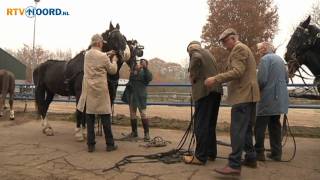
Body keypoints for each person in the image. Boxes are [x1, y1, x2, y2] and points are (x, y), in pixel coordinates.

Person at [204, 28, 260, 175]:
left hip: (242, 95)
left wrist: (215, 79)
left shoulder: (238, 49)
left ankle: (234, 164)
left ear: (233, 38)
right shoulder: (244, 48)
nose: (224, 45)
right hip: (250, 95)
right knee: (246, 128)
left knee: (237, 130)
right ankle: (251, 157)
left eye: (225, 41)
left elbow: (237, 71)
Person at [182, 41, 223, 165]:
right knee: (210, 124)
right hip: (216, 91)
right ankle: (211, 153)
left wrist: (192, 76)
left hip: (204, 92)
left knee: (201, 124)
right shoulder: (209, 54)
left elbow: (196, 58)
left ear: (190, 49)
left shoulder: (196, 52)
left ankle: (200, 157)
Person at [77, 34, 118, 152]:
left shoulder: (87, 54)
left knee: (90, 118)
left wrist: (107, 53)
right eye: (102, 43)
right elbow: (112, 70)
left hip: (89, 89)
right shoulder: (103, 57)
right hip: (101, 90)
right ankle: (110, 145)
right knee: (105, 117)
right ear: (99, 43)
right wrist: (114, 60)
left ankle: (91, 145)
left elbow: (98, 57)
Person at [254, 42, 289, 161]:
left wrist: (256, 89)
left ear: (264, 49)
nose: (258, 52)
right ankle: (276, 153)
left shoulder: (265, 59)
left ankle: (259, 153)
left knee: (259, 126)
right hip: (279, 99)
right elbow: (286, 80)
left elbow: (262, 80)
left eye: (258, 50)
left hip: (267, 99)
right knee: (275, 126)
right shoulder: (280, 60)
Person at [124, 59, 153, 141]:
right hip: (133, 95)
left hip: (141, 96)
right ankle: (134, 132)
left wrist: (145, 68)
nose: (139, 64)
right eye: (139, 63)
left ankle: (146, 134)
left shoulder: (146, 72)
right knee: (132, 114)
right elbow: (131, 80)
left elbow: (149, 78)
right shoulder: (133, 72)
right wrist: (134, 70)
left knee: (143, 114)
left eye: (142, 63)